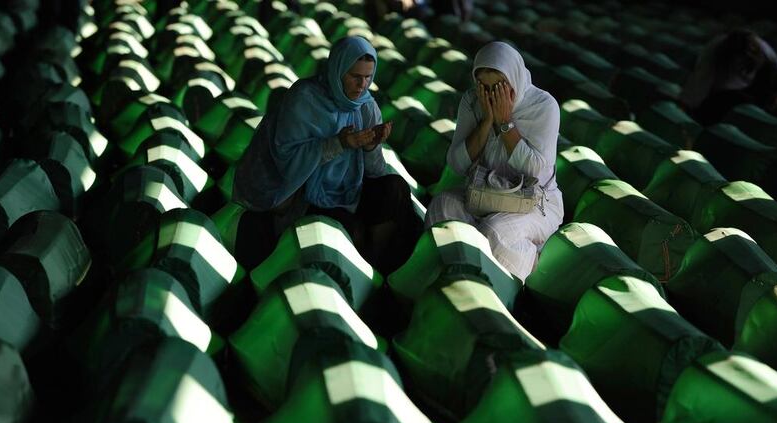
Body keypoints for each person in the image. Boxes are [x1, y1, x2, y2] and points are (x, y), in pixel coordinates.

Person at [232, 36, 421, 275]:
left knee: (395, 188)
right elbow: (288, 162)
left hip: (348, 190)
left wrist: (371, 146)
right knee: (348, 231)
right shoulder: (305, 98)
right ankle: (357, 277)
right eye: (355, 76)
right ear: (338, 69)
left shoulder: (366, 106)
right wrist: (338, 143)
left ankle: (379, 271)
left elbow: (374, 172)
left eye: (367, 77)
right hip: (305, 193)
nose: (362, 85)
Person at [424, 41, 563, 283]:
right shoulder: (472, 101)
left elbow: (535, 170)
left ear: (515, 79)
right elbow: (457, 163)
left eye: (499, 86)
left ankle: (509, 284)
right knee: (442, 206)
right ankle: (452, 279)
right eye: (484, 87)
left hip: (535, 202)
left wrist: (505, 122)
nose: (491, 95)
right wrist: (487, 121)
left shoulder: (543, 105)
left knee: (495, 231)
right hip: (486, 192)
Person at [680, 28, 777, 125]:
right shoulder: (715, 51)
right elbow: (698, 85)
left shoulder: (770, 60)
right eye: (737, 64)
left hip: (753, 95)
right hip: (719, 95)